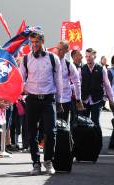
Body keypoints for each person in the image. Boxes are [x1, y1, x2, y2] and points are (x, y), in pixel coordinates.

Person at [20, 28, 63, 175]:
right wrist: (20, 92)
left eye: (37, 42)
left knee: (51, 132)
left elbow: (58, 80)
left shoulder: (53, 58)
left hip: (48, 99)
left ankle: (48, 161)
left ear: (43, 41)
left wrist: (59, 101)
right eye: (32, 42)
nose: (34, 45)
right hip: (32, 99)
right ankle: (36, 163)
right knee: (32, 133)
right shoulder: (26, 58)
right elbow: (21, 79)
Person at [80, 48, 114, 147]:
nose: (87, 58)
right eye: (86, 56)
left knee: (95, 122)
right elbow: (78, 84)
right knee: (84, 123)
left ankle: (98, 143)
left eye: (89, 56)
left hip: (97, 99)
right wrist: (78, 99)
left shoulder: (101, 68)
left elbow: (107, 85)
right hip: (85, 100)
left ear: (94, 57)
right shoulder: (82, 68)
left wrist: (112, 100)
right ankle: (85, 144)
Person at [54, 40, 83, 122]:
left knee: (63, 125)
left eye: (61, 49)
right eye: (57, 48)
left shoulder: (69, 65)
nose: (58, 51)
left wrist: (78, 99)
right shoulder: (50, 62)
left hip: (65, 100)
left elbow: (77, 82)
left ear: (66, 51)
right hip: (51, 99)